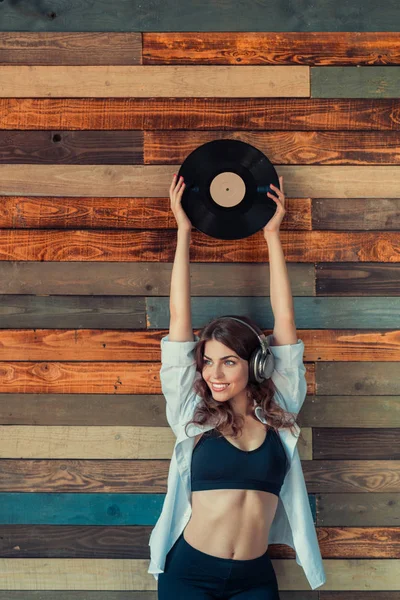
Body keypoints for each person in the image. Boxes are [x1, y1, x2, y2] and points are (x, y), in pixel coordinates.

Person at [148, 173, 327, 597]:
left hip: (254, 579)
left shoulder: (280, 409)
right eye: (208, 362)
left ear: (256, 363)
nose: (215, 374)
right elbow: (178, 320)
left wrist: (272, 235)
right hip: (189, 574)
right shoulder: (192, 414)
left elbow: (285, 322)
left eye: (228, 362)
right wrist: (183, 231)